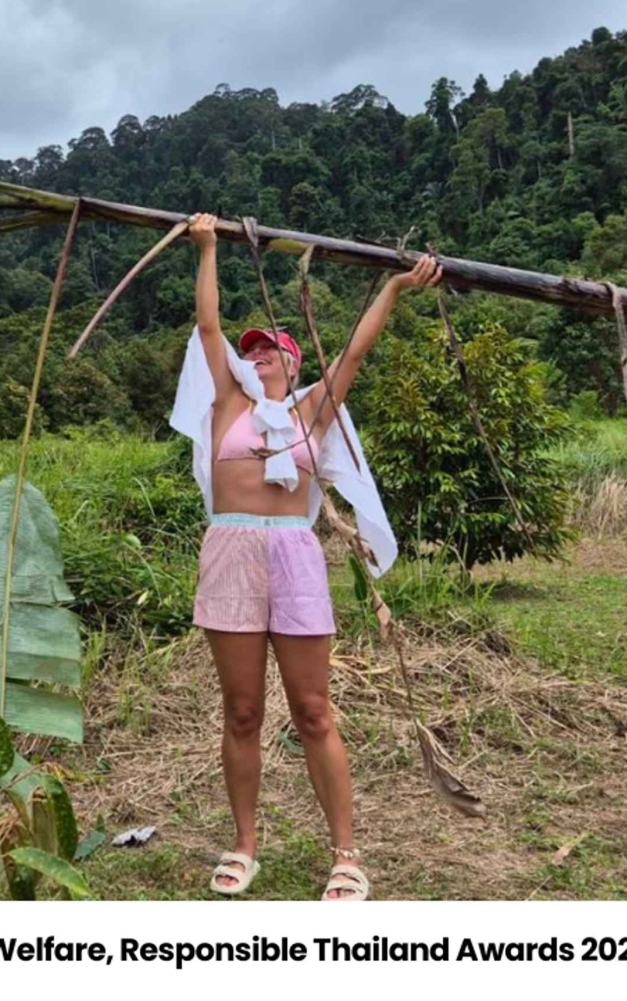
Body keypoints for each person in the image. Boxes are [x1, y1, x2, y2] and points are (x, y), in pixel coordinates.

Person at [170, 212, 442, 900]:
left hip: (293, 555)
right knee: (242, 711)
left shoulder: (311, 412)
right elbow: (209, 328)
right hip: (229, 548)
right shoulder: (228, 402)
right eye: (252, 349)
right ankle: (244, 844)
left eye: (272, 351)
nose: (258, 355)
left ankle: (346, 854)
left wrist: (394, 288)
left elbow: (352, 350)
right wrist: (206, 247)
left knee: (314, 708)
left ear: (294, 362)